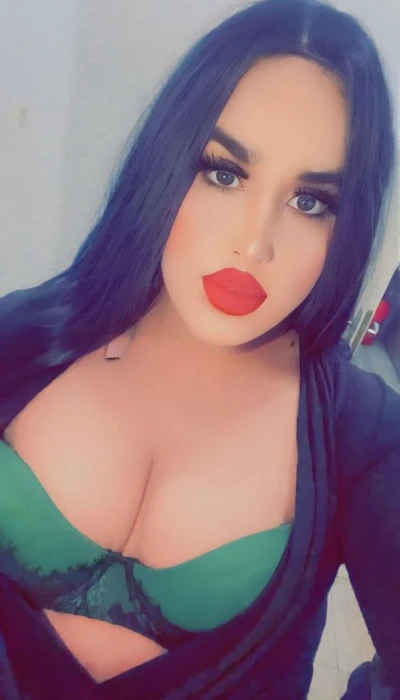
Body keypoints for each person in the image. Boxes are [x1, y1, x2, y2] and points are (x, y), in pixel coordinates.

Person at [0, 0, 398, 697]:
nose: (254, 243)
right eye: (224, 172)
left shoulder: (360, 434)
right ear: (167, 160)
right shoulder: (23, 336)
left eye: (310, 202)